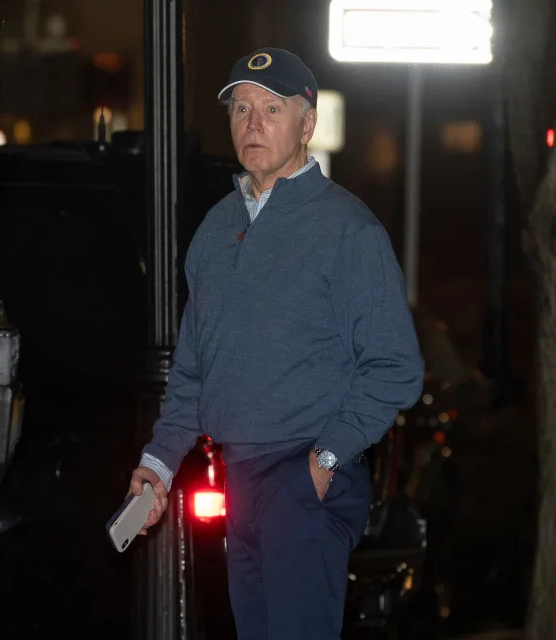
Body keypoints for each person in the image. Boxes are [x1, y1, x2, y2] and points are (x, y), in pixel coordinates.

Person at [127, 47, 424, 639]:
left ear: (306, 123)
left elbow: (396, 368)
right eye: (240, 109)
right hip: (237, 478)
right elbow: (191, 373)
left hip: (305, 478)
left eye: (270, 108)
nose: (252, 122)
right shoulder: (214, 230)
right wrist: (157, 466)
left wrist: (324, 460)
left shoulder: (349, 230)